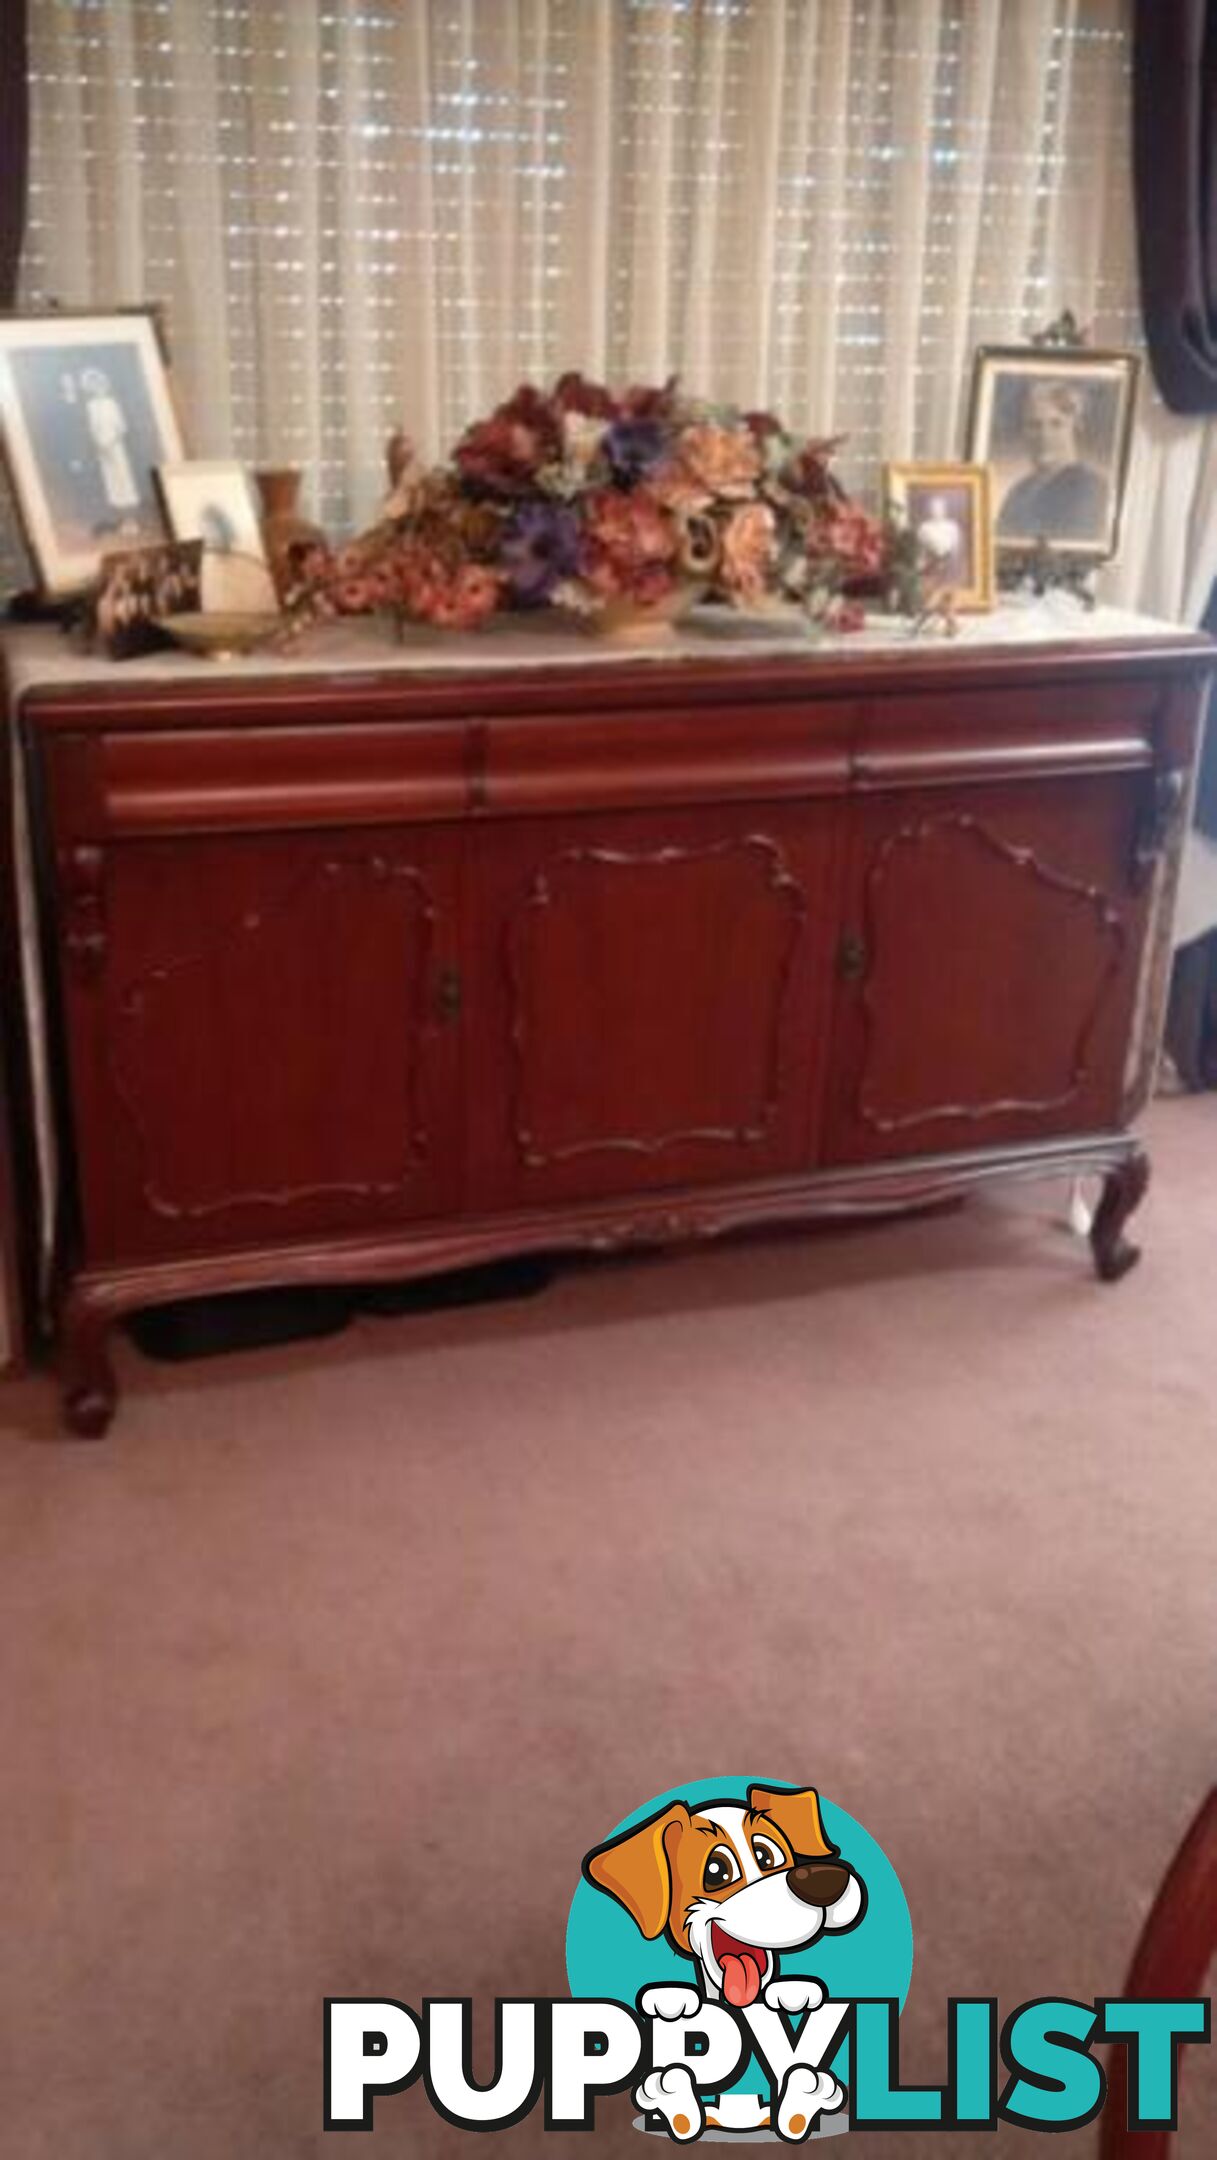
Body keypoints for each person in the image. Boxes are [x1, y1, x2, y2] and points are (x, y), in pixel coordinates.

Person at [996, 378, 1109, 544]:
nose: (1044, 435)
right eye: (1034, 425)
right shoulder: (1018, 491)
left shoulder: (1089, 487)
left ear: (1076, 427)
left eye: (1056, 424)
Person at [81, 366, 140, 517]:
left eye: (100, 385)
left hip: (116, 445)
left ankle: (130, 513)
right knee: (110, 478)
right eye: (93, 386)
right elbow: (92, 428)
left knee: (122, 476)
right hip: (102, 447)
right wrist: (100, 445)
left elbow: (122, 427)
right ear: (90, 388)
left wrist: (111, 443)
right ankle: (118, 513)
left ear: (105, 386)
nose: (97, 388)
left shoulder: (112, 403)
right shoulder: (90, 406)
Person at [914, 493, 966, 585]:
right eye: (933, 508)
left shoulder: (952, 526)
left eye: (939, 508)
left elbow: (957, 550)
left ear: (944, 510)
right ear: (930, 510)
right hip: (930, 566)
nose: (936, 511)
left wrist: (953, 566)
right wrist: (921, 565)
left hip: (949, 566)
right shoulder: (924, 527)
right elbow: (920, 550)